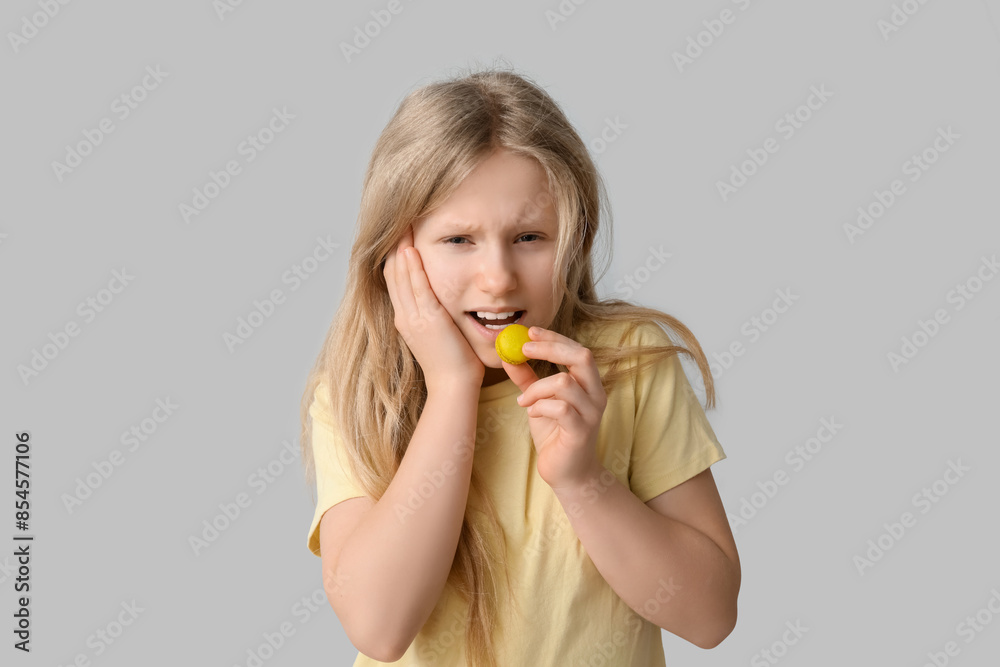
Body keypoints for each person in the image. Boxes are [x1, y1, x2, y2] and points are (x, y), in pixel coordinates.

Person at [299, 64, 741, 666]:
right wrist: (452, 388)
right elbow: (379, 627)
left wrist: (585, 482)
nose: (499, 278)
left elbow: (710, 616)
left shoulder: (628, 362)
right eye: (459, 240)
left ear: (573, 237)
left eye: (529, 236)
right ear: (398, 253)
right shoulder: (360, 390)